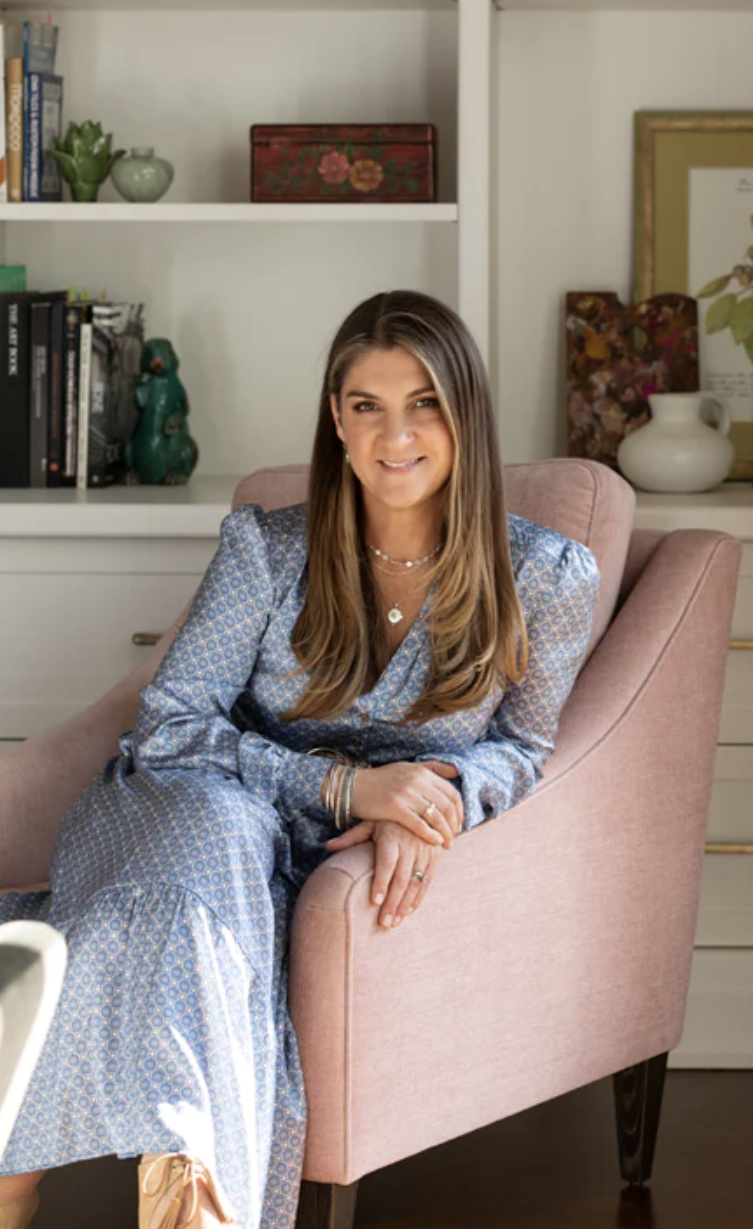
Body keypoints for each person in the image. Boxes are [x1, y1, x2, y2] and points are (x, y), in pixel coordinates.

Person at [0, 290, 601, 1229]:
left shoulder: (547, 578)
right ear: (336, 418)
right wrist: (350, 786)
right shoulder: (267, 549)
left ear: (467, 416)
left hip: (292, 873)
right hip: (182, 808)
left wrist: (437, 796)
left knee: (179, 930)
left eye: (424, 403)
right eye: (367, 406)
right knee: (216, 835)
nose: (394, 435)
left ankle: (20, 1171)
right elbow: (169, 724)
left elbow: (524, 747)